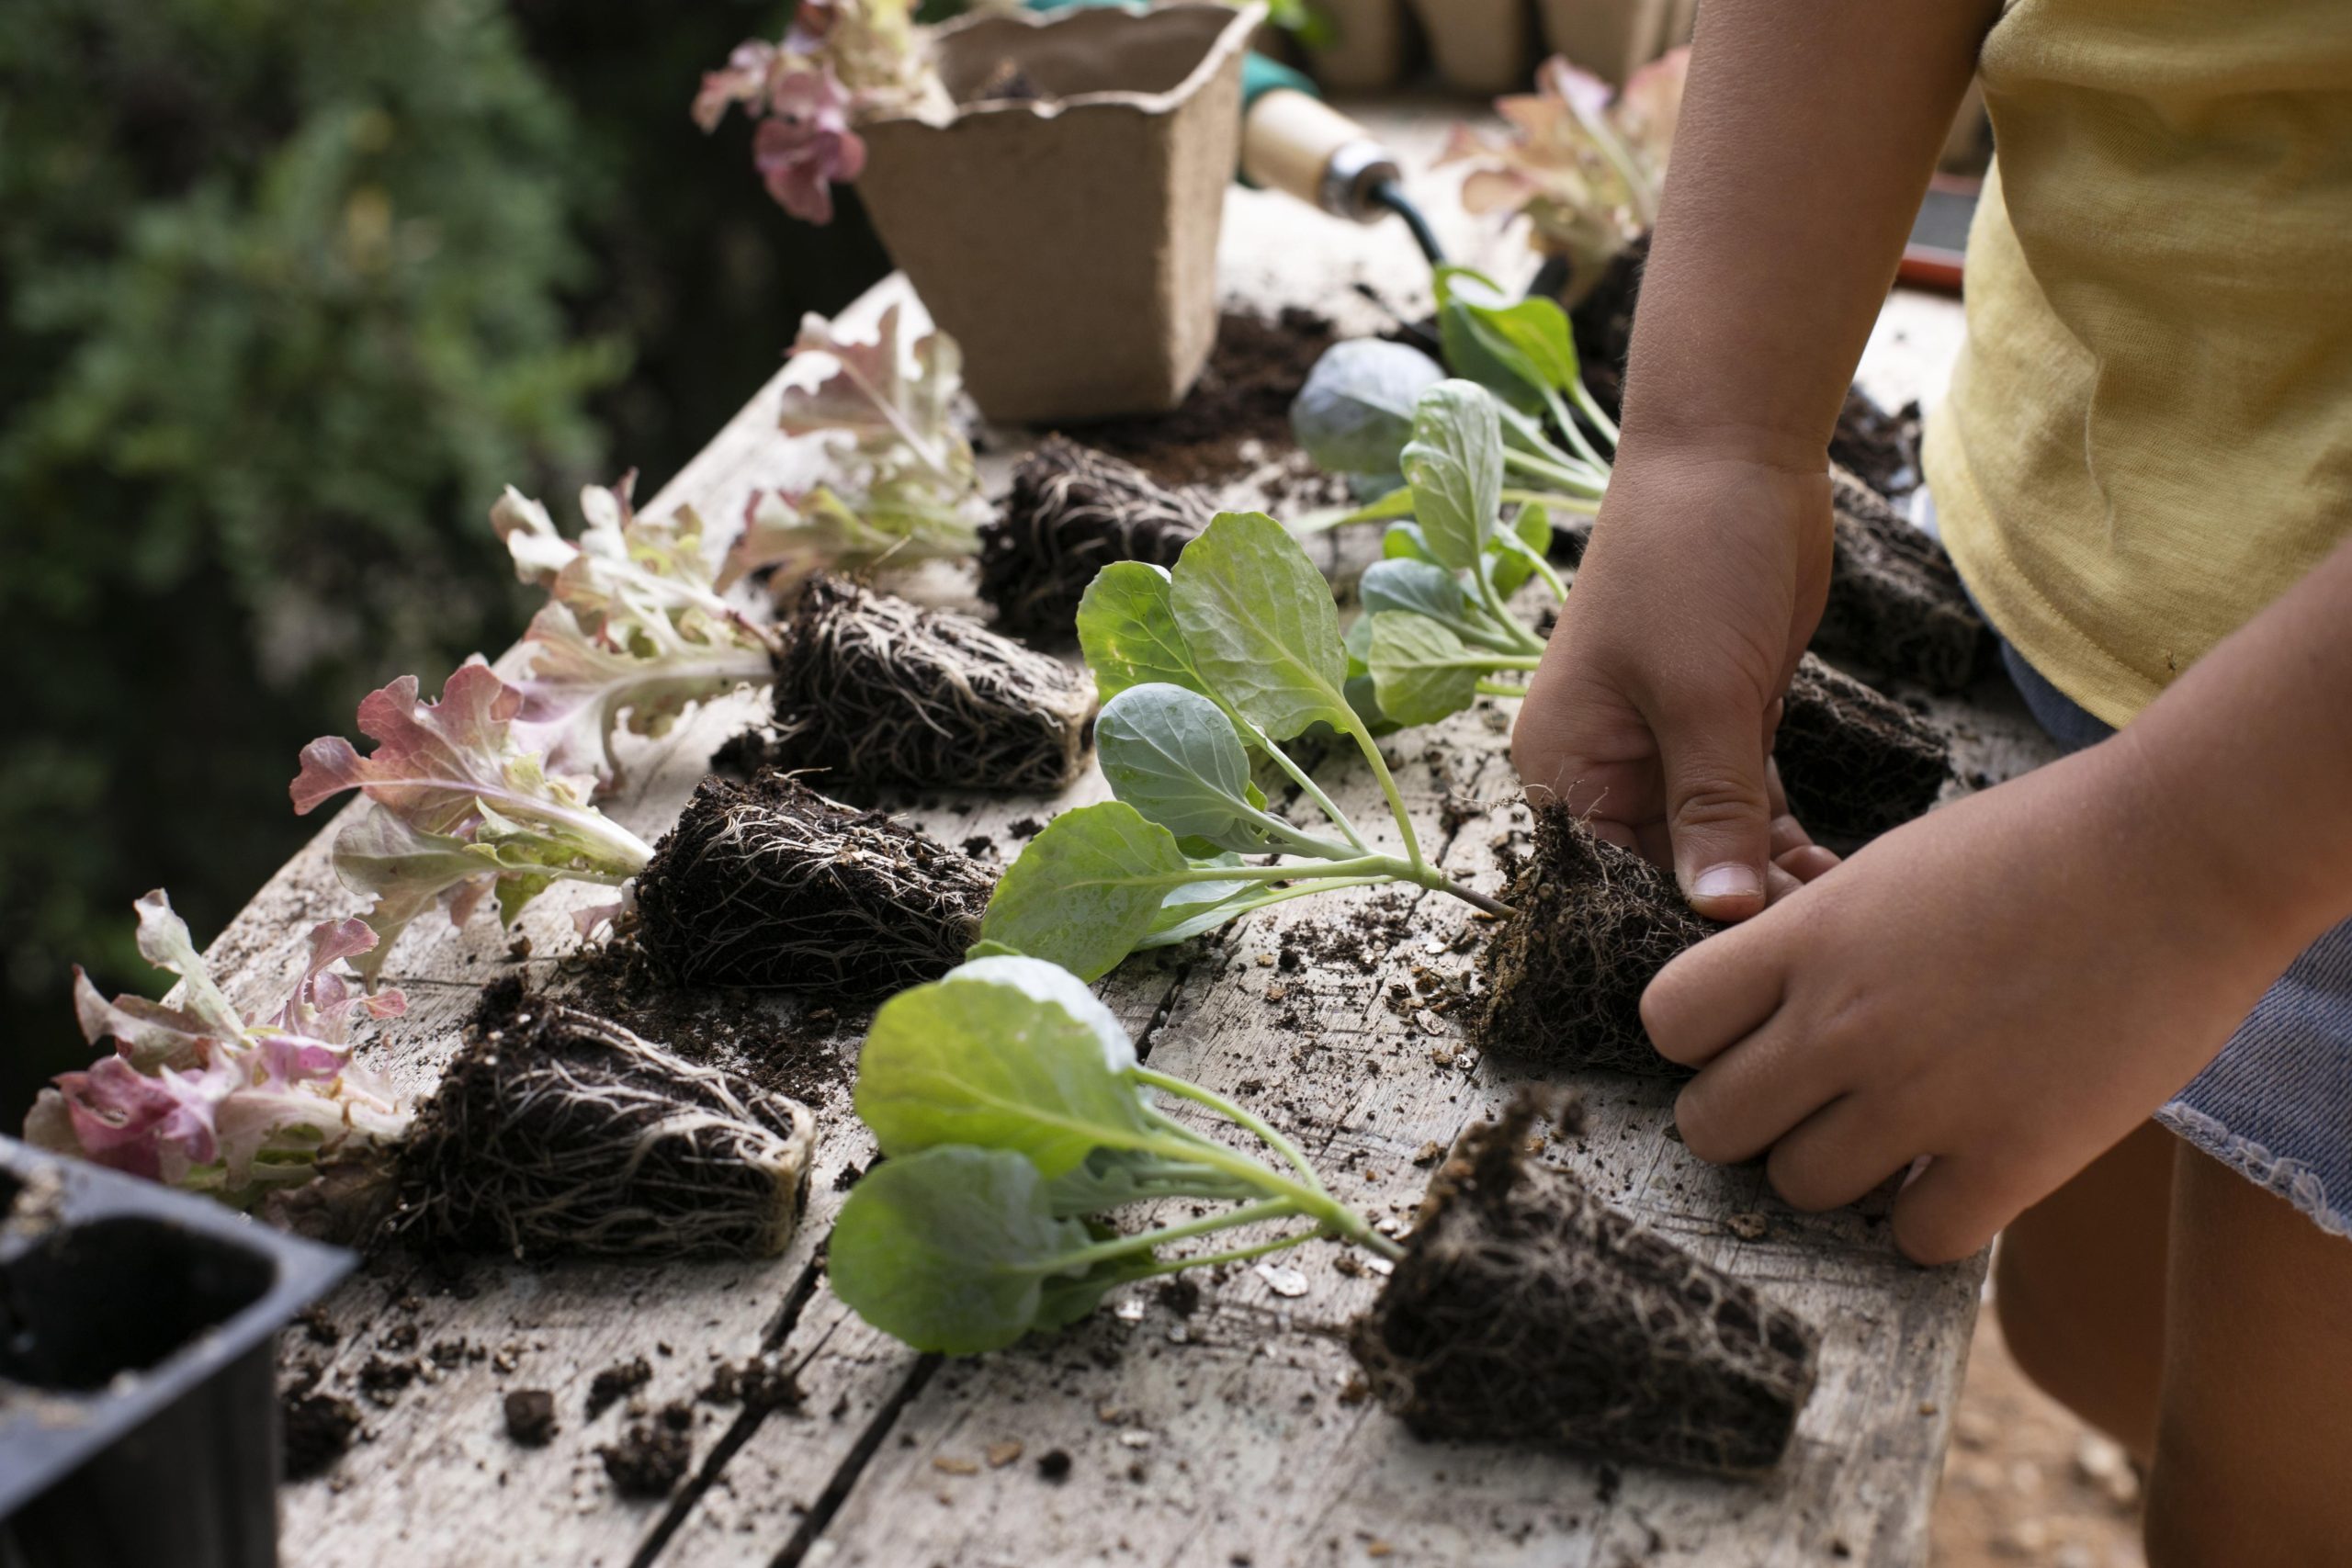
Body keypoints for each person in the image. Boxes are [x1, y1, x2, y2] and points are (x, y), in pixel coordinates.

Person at [1507, 1, 2352, 1560]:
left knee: (2272, 1512)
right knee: (2099, 1337)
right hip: (2098, 586)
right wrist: (1714, 438)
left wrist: (2195, 859)